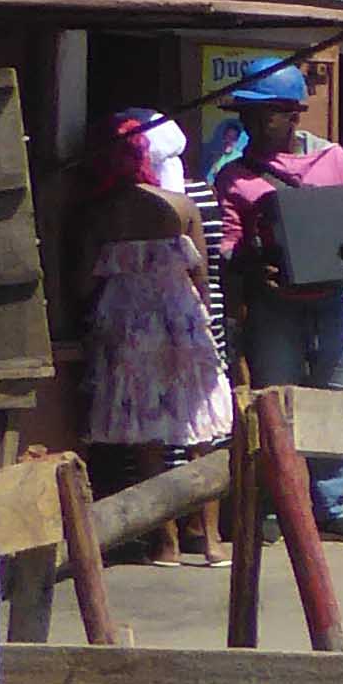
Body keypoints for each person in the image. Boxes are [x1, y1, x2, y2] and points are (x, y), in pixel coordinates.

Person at [208, 58, 343, 535]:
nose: (255, 123)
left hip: (333, 300)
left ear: (293, 113)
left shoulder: (334, 162)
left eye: (267, 114)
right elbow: (228, 244)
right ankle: (274, 503)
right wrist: (255, 267)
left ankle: (330, 506)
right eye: (248, 114)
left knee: (337, 399)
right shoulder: (233, 176)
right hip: (274, 306)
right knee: (273, 404)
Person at [70, 111, 228, 562]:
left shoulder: (96, 215)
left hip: (128, 328)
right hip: (183, 324)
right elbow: (202, 277)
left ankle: (166, 542)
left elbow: (82, 285)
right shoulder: (181, 207)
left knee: (148, 437)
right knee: (199, 430)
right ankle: (212, 541)